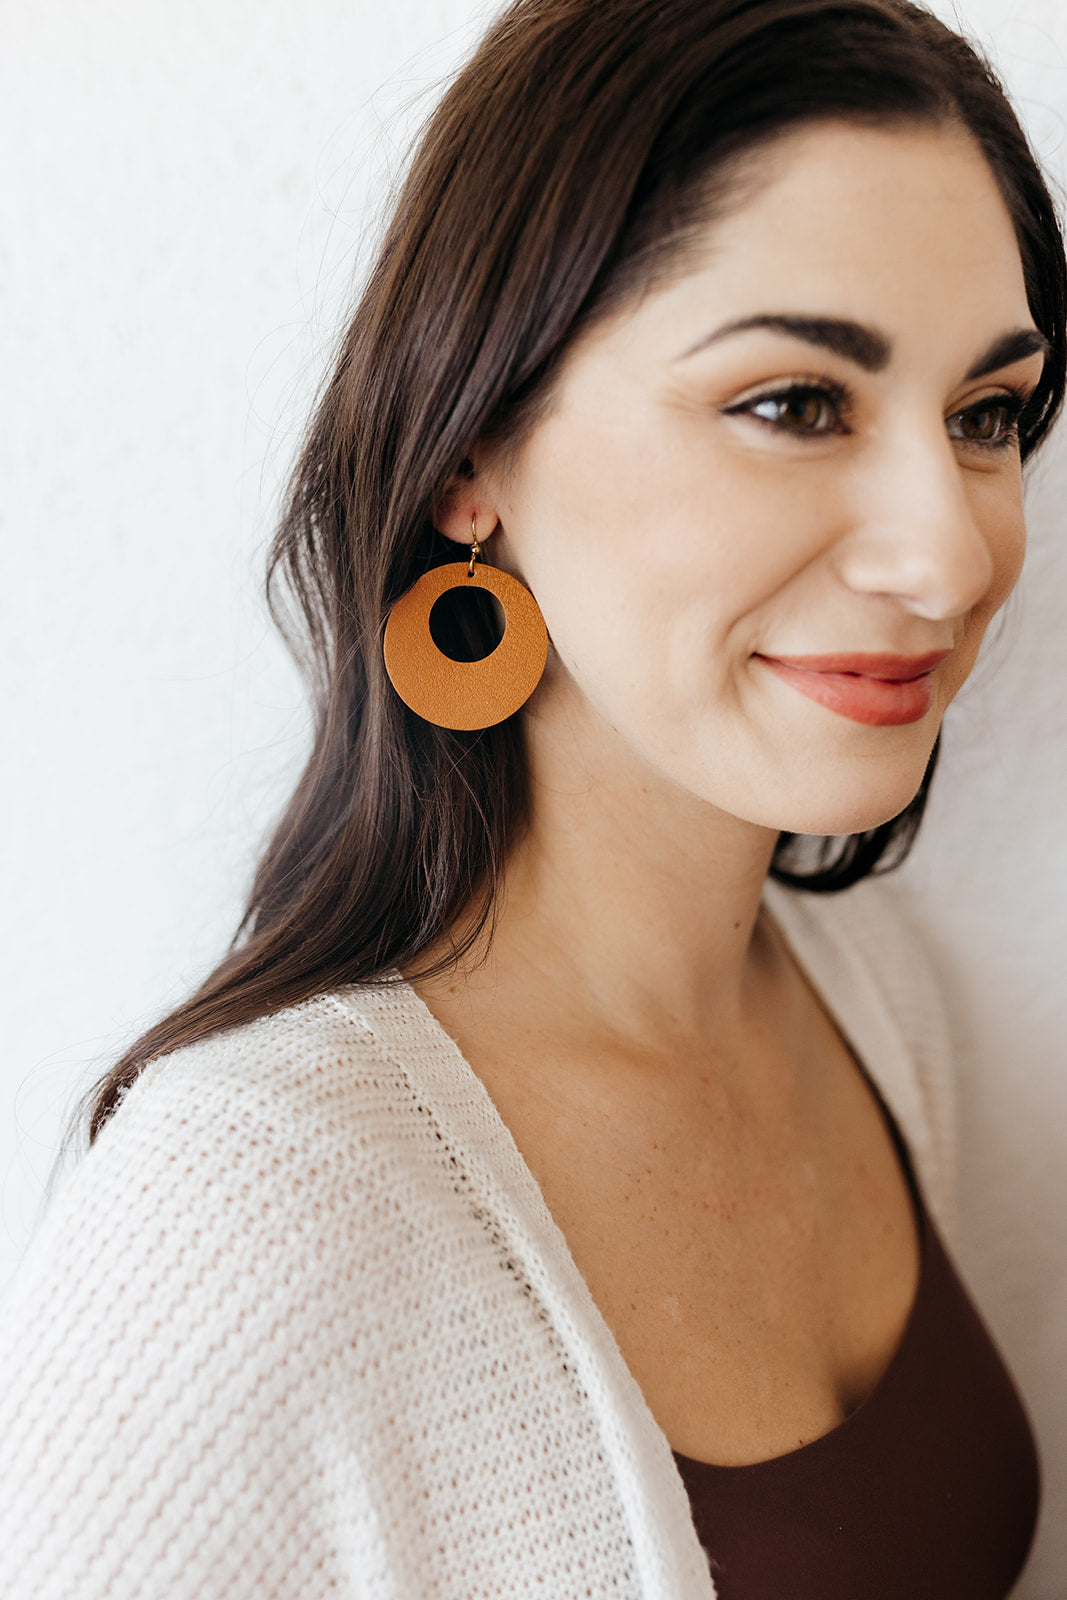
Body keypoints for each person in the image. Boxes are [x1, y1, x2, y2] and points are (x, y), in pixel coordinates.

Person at [1, 0, 1063, 1594]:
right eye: (793, 403)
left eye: (987, 416)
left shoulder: (870, 997)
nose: (951, 555)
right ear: (468, 458)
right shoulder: (240, 1214)